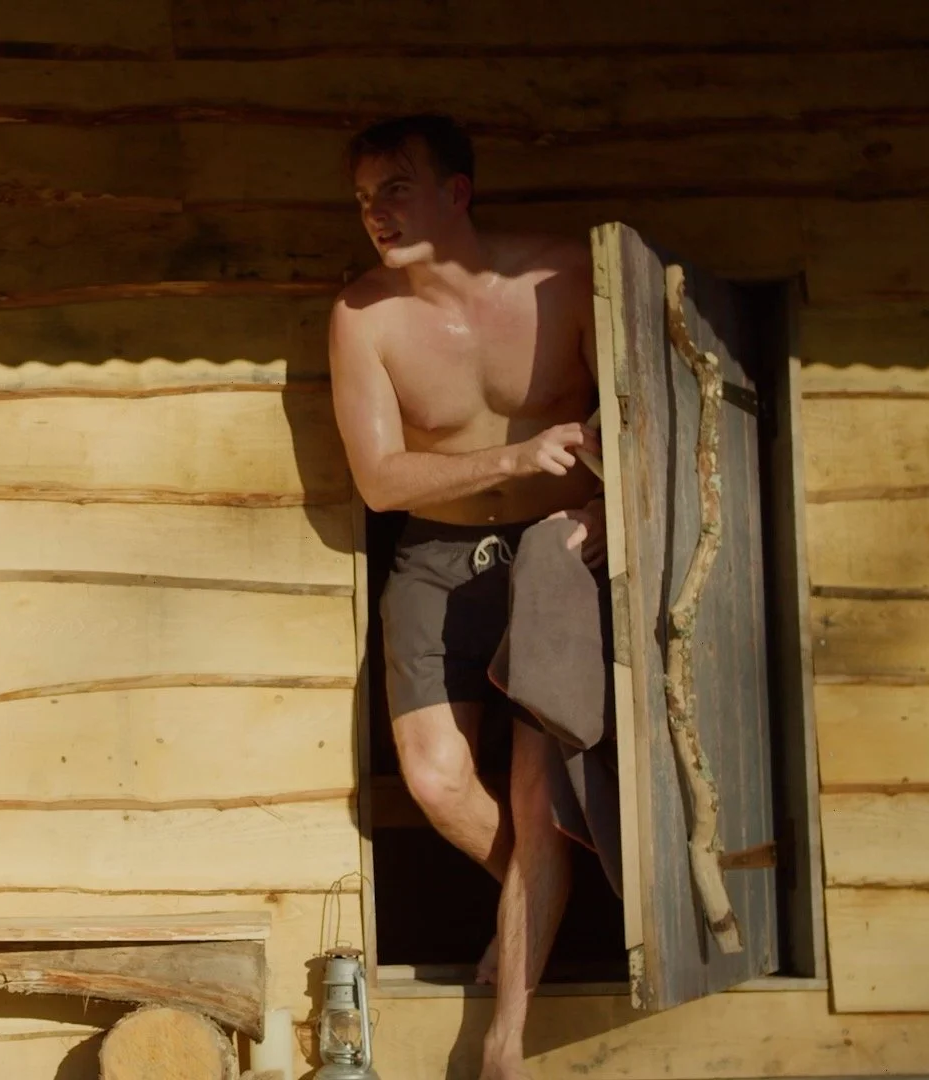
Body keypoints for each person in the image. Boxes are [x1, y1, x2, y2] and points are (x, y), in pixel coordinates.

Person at [328, 114, 606, 1080]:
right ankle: (547, 902)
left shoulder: (566, 277)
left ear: (459, 191)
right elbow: (379, 481)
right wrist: (514, 453)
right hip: (437, 556)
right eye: (364, 198)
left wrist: (604, 515)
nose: (376, 213)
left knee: (537, 794)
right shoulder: (364, 315)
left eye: (396, 188)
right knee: (438, 781)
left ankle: (504, 1044)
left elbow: (641, 409)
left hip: (554, 552)